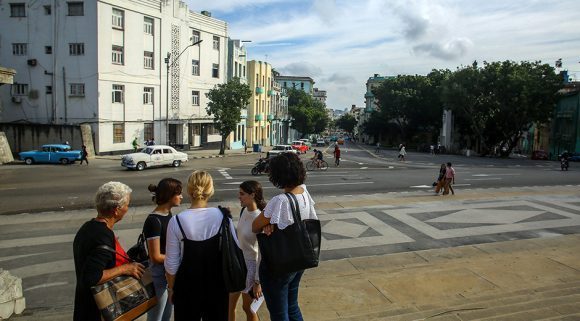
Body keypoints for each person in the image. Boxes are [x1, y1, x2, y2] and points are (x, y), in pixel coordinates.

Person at [252, 153, 319, 321]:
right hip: (299, 258)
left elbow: (255, 226)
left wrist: (269, 223)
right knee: (292, 306)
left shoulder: (280, 201)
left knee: (279, 314)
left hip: (280, 262)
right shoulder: (304, 191)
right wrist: (272, 222)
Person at [165, 170, 238, 321]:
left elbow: (171, 263)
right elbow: (234, 250)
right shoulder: (223, 217)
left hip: (187, 286)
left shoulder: (176, 221)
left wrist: (171, 289)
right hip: (217, 285)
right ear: (210, 190)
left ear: (189, 190)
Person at [73, 182, 145, 321]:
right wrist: (126, 268)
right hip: (99, 310)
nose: (128, 208)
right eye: (127, 205)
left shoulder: (88, 227)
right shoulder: (103, 236)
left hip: (84, 305)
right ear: (116, 210)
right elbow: (91, 277)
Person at [143, 178, 183, 321]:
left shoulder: (168, 215)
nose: (181, 197)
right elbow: (155, 256)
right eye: (179, 193)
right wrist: (178, 258)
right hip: (158, 277)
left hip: (168, 276)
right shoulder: (154, 221)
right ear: (169, 195)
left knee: (166, 316)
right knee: (156, 317)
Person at [228, 181, 266, 321]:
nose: (239, 197)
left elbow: (262, 253)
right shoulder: (244, 210)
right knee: (230, 305)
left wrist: (258, 282)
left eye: (242, 194)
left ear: (253, 195)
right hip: (238, 264)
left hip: (250, 266)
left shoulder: (260, 217)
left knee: (248, 307)